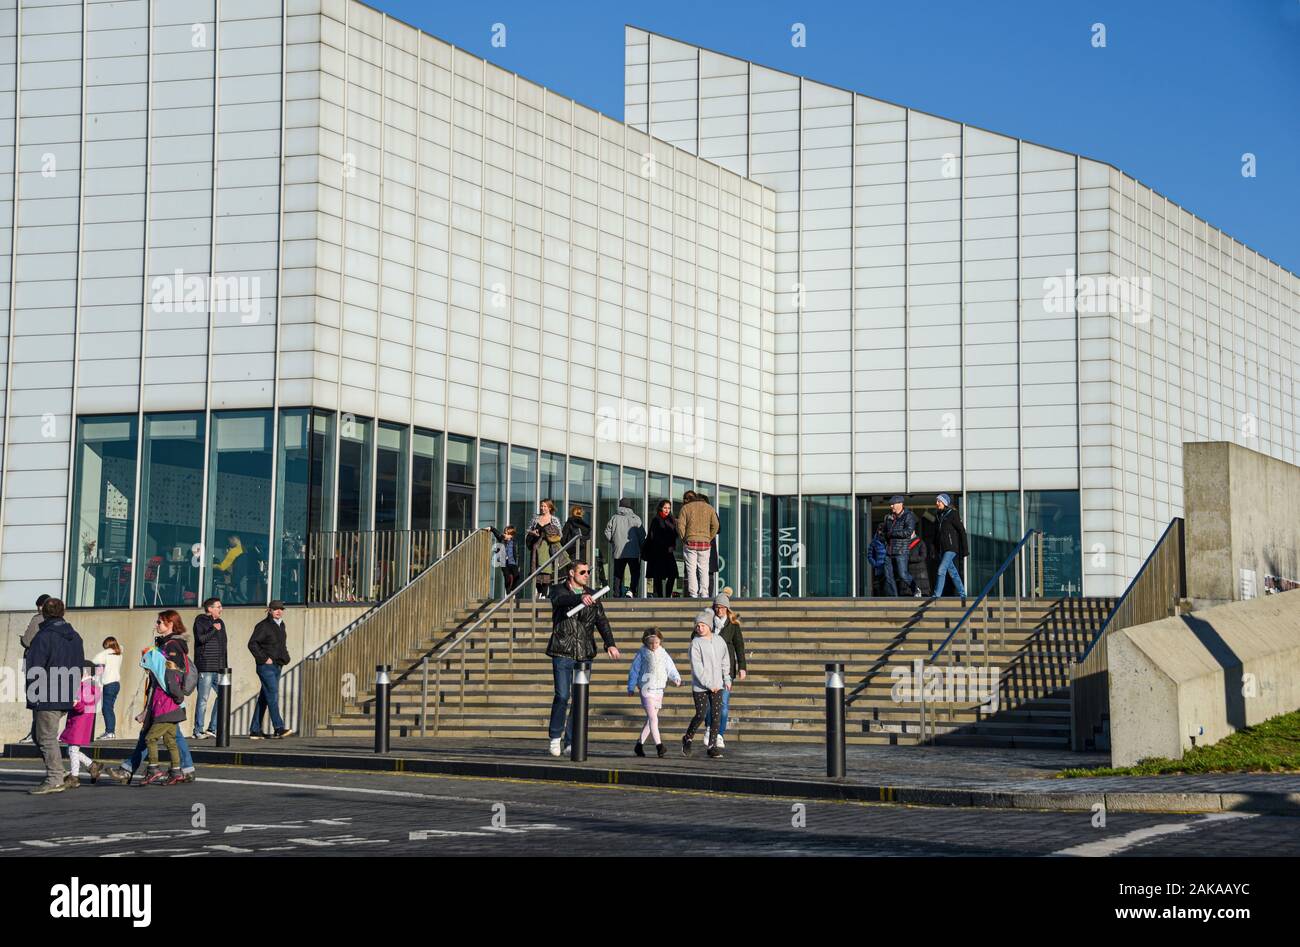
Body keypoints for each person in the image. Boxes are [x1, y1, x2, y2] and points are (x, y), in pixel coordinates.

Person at [93, 612, 199, 785]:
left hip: (165, 698)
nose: (156, 625)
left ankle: (133, 769)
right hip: (165, 698)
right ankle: (185, 770)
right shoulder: (168, 644)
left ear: (170, 624)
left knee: (149, 735)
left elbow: (169, 677)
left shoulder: (172, 646)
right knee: (173, 735)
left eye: (160, 622)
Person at [544, 559, 620, 756]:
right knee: (562, 695)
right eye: (582, 572)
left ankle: (571, 740)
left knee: (580, 698)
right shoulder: (557, 590)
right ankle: (554, 737)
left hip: (584, 654)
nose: (586, 575)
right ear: (571, 573)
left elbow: (601, 620)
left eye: (588, 572)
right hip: (562, 651)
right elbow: (560, 601)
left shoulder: (592, 595)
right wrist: (579, 599)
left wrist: (610, 643)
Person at [24, 598, 85, 794]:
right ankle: (58, 771)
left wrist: (32, 693)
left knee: (46, 737)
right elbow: (79, 666)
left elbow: (35, 668)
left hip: (47, 692)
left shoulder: (44, 636)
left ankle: (55, 777)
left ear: (45, 613)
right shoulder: (75, 637)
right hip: (65, 691)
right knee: (40, 735)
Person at [138, 637, 188, 786]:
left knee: (150, 738)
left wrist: (178, 700)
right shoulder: (165, 674)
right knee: (170, 741)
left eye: (147, 667)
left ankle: (153, 768)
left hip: (166, 712)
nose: (146, 671)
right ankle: (176, 771)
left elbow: (174, 690)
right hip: (173, 712)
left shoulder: (166, 673)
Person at [626, 628, 682, 758]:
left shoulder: (663, 652)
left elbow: (670, 667)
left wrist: (676, 678)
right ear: (645, 642)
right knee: (653, 718)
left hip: (659, 689)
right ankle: (659, 746)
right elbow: (634, 670)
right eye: (650, 643)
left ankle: (639, 745)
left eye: (656, 642)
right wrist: (631, 686)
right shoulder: (642, 653)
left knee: (650, 721)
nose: (653, 645)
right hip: (646, 688)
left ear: (660, 641)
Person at [683, 609, 730, 759]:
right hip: (701, 687)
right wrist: (709, 684)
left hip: (718, 684)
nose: (700, 628)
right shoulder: (695, 644)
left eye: (703, 625)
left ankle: (712, 746)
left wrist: (726, 678)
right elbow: (697, 668)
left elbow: (725, 659)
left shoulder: (719, 640)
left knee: (716, 716)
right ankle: (688, 738)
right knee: (701, 714)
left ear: (709, 626)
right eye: (697, 626)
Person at [248, 601, 292, 739]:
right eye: (275, 609)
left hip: (278, 665)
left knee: (265, 697)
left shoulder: (281, 625)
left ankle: (255, 730)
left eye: (281, 609)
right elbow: (252, 644)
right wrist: (264, 658)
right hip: (266, 666)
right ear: (269, 610)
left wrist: (286, 657)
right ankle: (279, 728)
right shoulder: (263, 626)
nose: (279, 611)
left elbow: (281, 645)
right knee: (272, 695)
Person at [711, 592, 746, 749]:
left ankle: (719, 734)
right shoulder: (708, 623)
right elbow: (694, 637)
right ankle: (709, 729)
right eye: (717, 607)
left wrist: (742, 667)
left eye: (722, 608)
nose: (719, 611)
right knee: (709, 704)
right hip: (710, 670)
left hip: (726, 670)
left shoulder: (733, 625)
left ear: (727, 609)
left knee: (723, 703)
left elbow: (739, 647)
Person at [59, 661, 101, 786]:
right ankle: (92, 765)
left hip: (79, 721)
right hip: (80, 721)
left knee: (72, 749)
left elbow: (83, 706)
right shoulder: (89, 685)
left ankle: (74, 776)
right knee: (72, 750)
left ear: (85, 672)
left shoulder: (88, 686)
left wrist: (74, 703)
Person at [192, 597, 227, 738]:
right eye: (218, 607)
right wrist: (213, 629)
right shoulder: (200, 621)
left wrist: (224, 666)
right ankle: (198, 730)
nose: (221, 609)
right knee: (203, 699)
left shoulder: (220, 623)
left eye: (221, 606)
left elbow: (223, 646)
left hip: (219, 667)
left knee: (224, 696)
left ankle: (212, 728)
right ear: (210, 608)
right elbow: (200, 639)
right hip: (205, 666)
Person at [676, 490, 719, 598]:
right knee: (704, 569)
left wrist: (683, 538)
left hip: (690, 542)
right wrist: (709, 537)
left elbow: (680, 525)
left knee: (691, 569)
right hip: (705, 543)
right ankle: (704, 593)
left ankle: (693, 593)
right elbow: (716, 525)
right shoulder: (709, 508)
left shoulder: (686, 508)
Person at [527, 500, 568, 600]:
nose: (542, 508)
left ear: (550, 508)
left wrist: (548, 533)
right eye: (541, 506)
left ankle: (544, 595)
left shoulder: (554, 520)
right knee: (536, 572)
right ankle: (541, 594)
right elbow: (528, 531)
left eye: (545, 506)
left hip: (548, 549)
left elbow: (559, 535)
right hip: (536, 549)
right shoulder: (535, 519)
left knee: (546, 572)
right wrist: (532, 533)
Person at [605, 497, 644, 597]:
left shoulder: (614, 518)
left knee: (618, 574)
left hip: (618, 551)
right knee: (635, 572)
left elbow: (607, 533)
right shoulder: (636, 518)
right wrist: (641, 546)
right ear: (630, 506)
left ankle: (617, 593)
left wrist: (613, 541)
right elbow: (642, 534)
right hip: (634, 551)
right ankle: (631, 591)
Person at [932, 493, 969, 599]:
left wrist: (965, 549)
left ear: (945, 503)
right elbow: (936, 534)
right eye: (937, 501)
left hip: (951, 548)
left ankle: (936, 595)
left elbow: (962, 531)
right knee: (953, 573)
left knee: (941, 570)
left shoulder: (953, 514)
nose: (937, 503)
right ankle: (962, 593)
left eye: (939, 501)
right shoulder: (939, 515)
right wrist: (934, 549)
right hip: (942, 550)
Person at [882, 496, 919, 597]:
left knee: (903, 574)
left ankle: (915, 589)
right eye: (891, 504)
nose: (891, 506)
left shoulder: (908, 515)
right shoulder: (889, 517)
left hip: (901, 551)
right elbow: (885, 532)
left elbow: (908, 532)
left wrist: (892, 533)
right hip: (888, 551)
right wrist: (883, 535)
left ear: (900, 504)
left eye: (893, 504)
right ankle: (894, 597)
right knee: (888, 576)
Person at [643, 499, 679, 598]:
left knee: (672, 574)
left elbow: (675, 534)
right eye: (665, 508)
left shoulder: (672, 519)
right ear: (660, 508)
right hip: (657, 552)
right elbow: (652, 536)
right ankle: (659, 596)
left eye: (668, 508)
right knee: (658, 575)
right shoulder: (656, 520)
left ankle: (667, 595)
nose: (667, 510)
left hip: (668, 551)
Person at [92, 636, 123, 739]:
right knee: (109, 708)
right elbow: (121, 647)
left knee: (106, 708)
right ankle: (110, 731)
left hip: (108, 684)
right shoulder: (119, 653)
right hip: (116, 684)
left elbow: (94, 661)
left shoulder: (106, 653)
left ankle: (110, 731)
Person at [490, 526, 521, 596]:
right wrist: (491, 528)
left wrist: (518, 565)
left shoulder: (514, 542)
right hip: (504, 562)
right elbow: (497, 533)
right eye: (504, 533)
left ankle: (513, 589)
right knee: (507, 577)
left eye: (506, 533)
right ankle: (508, 592)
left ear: (511, 535)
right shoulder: (502, 539)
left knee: (516, 576)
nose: (504, 534)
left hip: (512, 562)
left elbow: (518, 554)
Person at [867, 530, 888, 597]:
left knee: (888, 585)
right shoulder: (874, 542)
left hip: (888, 567)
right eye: (879, 530)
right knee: (879, 586)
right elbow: (869, 555)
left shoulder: (888, 540)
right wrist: (875, 564)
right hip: (879, 568)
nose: (881, 532)